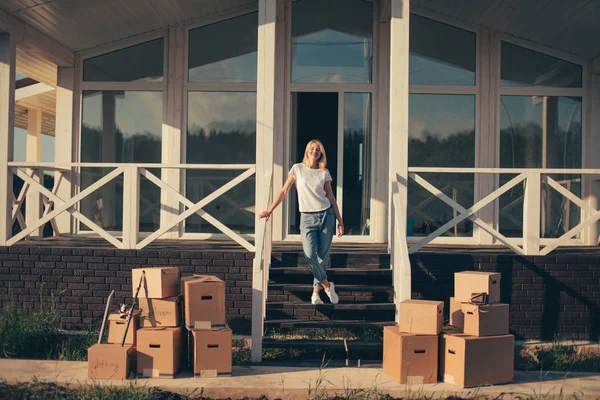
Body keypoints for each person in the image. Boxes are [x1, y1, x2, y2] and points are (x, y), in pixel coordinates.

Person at [259, 139, 344, 305]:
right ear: (307, 151)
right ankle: (327, 286)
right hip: (307, 218)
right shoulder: (297, 169)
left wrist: (340, 221)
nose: (315, 151)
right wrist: (270, 209)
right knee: (310, 255)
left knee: (322, 258)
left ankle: (315, 294)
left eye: (318, 150)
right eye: (312, 149)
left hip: (326, 216)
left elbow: (331, 198)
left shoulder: (323, 172)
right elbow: (284, 191)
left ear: (321, 154)